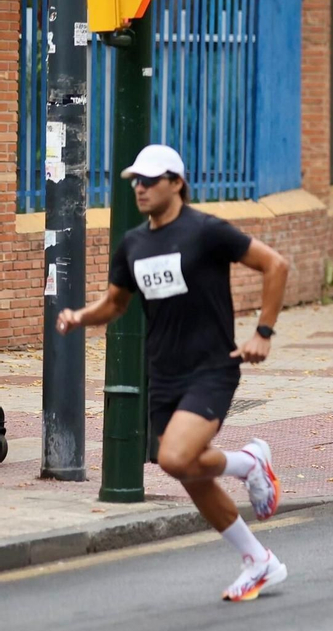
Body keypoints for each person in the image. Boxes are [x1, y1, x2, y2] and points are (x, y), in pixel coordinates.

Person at [57, 144, 290, 601]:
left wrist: (263, 331)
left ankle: (248, 462)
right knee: (190, 474)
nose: (139, 188)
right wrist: (79, 317)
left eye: (149, 180)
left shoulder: (205, 231)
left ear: (176, 183)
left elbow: (274, 265)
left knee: (175, 458)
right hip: (162, 372)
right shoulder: (134, 244)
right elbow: (116, 303)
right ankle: (259, 559)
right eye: (135, 181)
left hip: (211, 367)